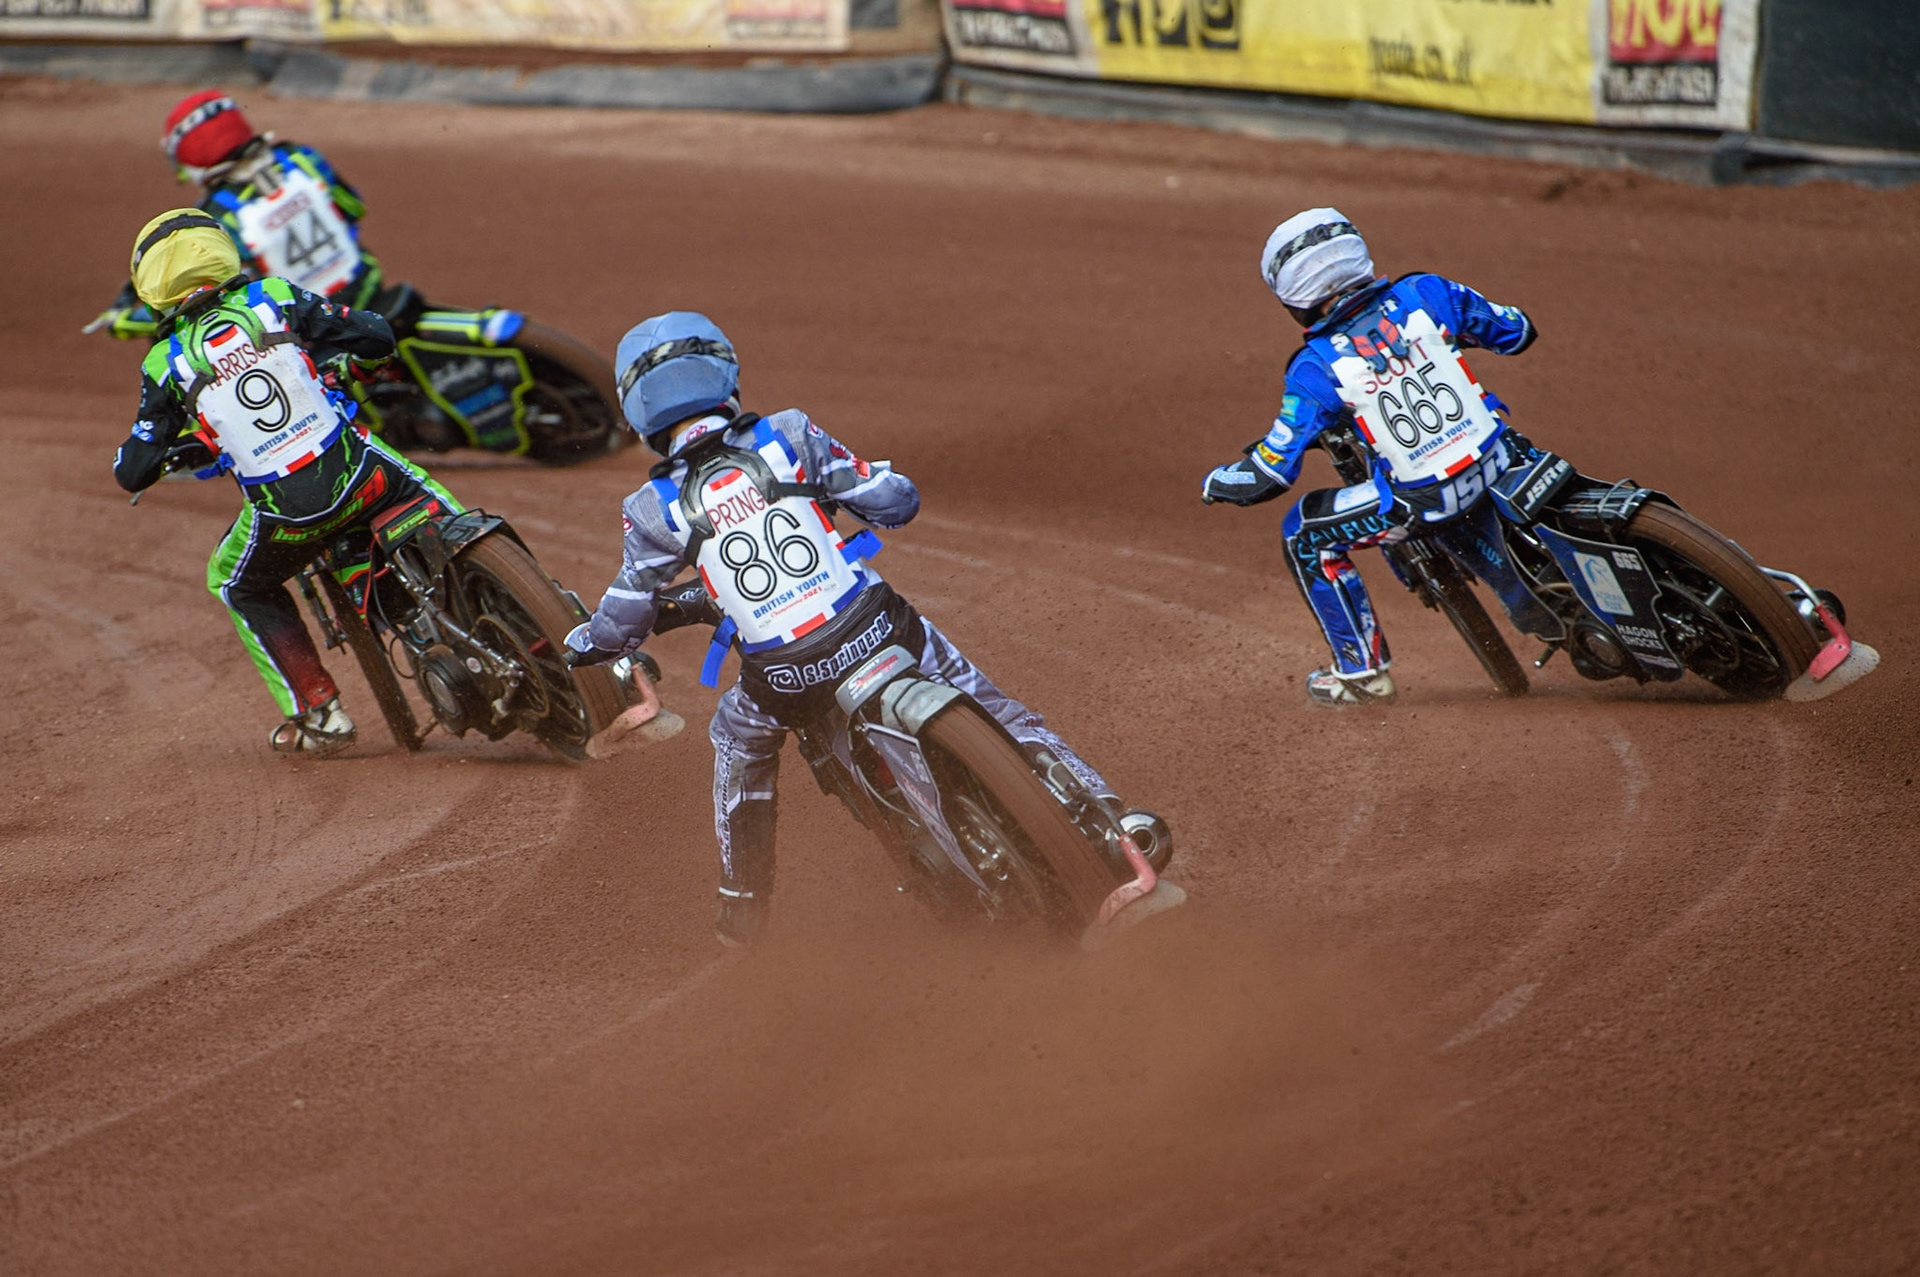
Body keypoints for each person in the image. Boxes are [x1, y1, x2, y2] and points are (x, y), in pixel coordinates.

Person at [566, 312, 1163, 947]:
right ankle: (1110, 817)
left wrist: (593, 642)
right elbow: (893, 500)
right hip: (881, 629)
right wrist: (872, 484)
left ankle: (743, 906)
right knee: (992, 702)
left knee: (737, 743)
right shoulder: (790, 433)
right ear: (723, 376)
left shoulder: (650, 510)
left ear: (642, 417)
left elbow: (625, 616)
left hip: (787, 678)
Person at [113, 208, 460, 754]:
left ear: (150, 286)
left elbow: (132, 468)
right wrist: (363, 358)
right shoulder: (270, 295)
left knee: (233, 581)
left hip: (288, 519)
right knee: (428, 495)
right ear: (220, 252)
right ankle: (504, 584)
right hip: (364, 478)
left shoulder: (165, 361)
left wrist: (147, 460)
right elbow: (372, 333)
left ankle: (320, 713)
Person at [1202, 208, 1540, 707]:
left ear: (1294, 297)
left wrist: (1219, 481)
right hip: (1505, 458)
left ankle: (1361, 675)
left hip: (1426, 501)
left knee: (1303, 533)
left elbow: (1270, 473)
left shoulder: (1314, 368)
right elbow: (1517, 332)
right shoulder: (1428, 291)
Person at [92, 92, 387, 341]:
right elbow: (354, 207)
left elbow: (203, 298)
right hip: (368, 283)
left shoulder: (216, 215)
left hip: (312, 327)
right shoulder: (298, 157)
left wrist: (126, 321)